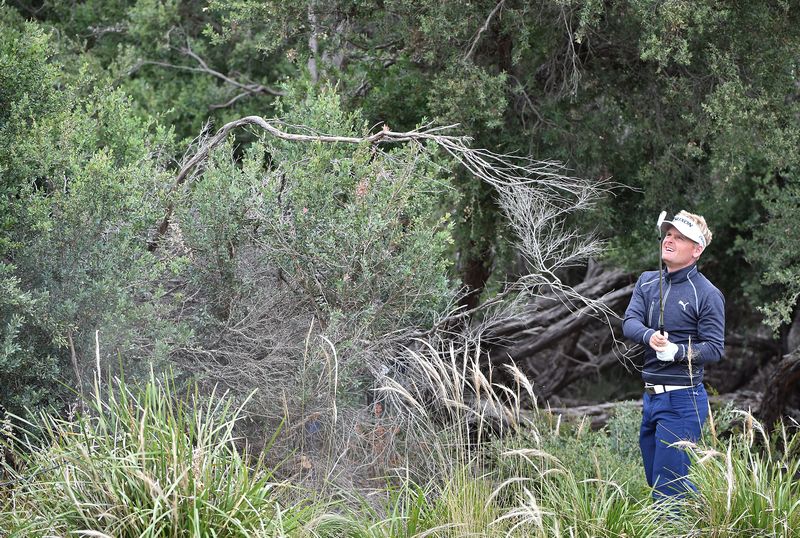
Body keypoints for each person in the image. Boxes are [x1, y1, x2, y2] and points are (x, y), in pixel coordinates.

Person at [623, 210, 725, 502]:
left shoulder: (707, 293)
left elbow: (714, 348)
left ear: (696, 250)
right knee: (659, 483)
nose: (670, 239)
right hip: (651, 398)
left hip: (683, 402)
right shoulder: (646, 281)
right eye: (668, 234)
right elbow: (630, 322)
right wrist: (649, 336)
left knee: (670, 492)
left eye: (680, 238)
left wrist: (677, 352)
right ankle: (705, 524)